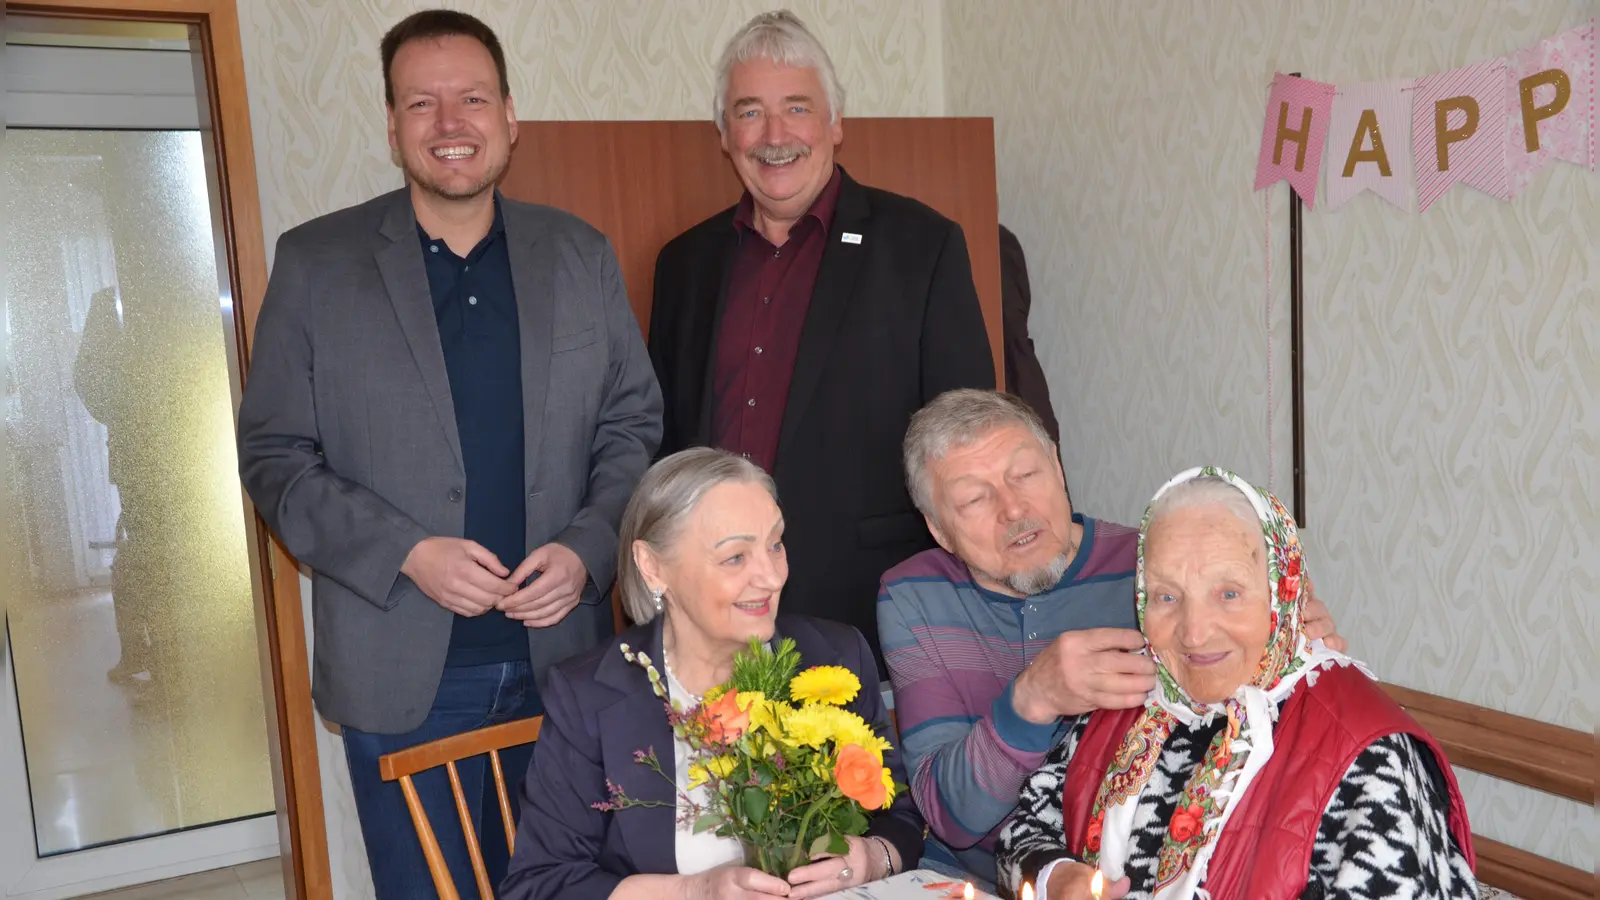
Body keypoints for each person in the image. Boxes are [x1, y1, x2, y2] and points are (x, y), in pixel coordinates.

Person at [235, 10, 661, 897]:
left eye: (471, 98)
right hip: (403, 674)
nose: (449, 123)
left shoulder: (579, 254)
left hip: (570, 666)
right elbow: (275, 456)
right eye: (420, 104)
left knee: (582, 887)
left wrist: (589, 553)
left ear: (510, 116)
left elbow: (632, 423)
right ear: (391, 127)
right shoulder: (317, 263)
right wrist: (406, 552)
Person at [877, 390, 1344, 886]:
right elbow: (951, 819)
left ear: (1057, 467)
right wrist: (1031, 700)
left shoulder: (1152, 570)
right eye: (974, 498)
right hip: (967, 881)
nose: (1013, 509)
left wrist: (1295, 648)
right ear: (939, 530)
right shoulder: (912, 595)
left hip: (1126, 876)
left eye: (1026, 475)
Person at [648, 11, 994, 668]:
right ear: (724, 134)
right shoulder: (684, 264)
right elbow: (665, 441)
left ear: (835, 123)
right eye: (749, 112)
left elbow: (968, 440)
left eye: (797, 108)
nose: (774, 136)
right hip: (710, 613)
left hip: (864, 608)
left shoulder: (920, 246)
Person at [995, 467, 1476, 900]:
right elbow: (1027, 829)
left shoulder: (1368, 755)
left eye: (1228, 593)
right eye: (1167, 596)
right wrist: (1055, 876)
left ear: (1283, 592)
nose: (1195, 632)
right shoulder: (1129, 693)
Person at [502, 448, 923, 899]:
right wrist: (693, 893)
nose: (771, 577)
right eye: (734, 558)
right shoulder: (589, 694)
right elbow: (540, 884)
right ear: (653, 567)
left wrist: (871, 857)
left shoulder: (832, 658)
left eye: (775, 544)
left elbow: (898, 816)